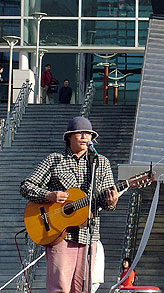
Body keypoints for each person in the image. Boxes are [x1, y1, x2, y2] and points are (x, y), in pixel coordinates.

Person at [20, 116, 119, 293]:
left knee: (84, 288)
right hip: (59, 233)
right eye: (80, 133)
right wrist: (49, 195)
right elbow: (26, 186)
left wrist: (112, 202)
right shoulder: (54, 160)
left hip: (89, 234)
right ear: (69, 137)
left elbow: (106, 200)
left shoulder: (101, 162)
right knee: (60, 287)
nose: (85, 137)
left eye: (88, 134)